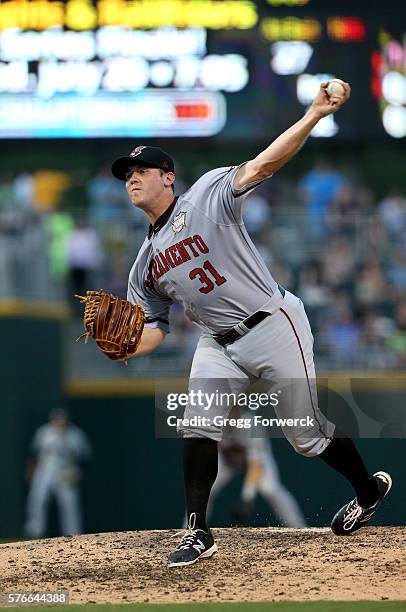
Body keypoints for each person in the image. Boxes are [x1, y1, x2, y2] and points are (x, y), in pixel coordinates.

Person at [111, 81, 392, 568]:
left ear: (168, 177)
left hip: (272, 322)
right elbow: (155, 325)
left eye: (142, 170)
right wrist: (129, 348)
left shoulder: (207, 195)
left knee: (305, 436)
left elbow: (263, 164)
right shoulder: (145, 263)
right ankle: (198, 530)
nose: (132, 178)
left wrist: (313, 117)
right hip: (217, 343)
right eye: (127, 174)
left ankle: (367, 490)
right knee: (197, 424)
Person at [208, 437, 306, 528]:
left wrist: (247, 498)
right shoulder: (215, 423)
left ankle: (298, 526)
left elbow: (255, 467)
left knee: (270, 489)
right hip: (227, 460)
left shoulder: (252, 429)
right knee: (208, 488)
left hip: (259, 459)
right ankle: (196, 529)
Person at [24, 408, 91, 539]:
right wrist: (31, 471)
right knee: (38, 500)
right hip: (45, 470)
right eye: (57, 421)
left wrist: (79, 472)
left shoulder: (76, 435)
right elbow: (34, 453)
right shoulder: (44, 432)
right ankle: (34, 532)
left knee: (69, 504)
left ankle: (73, 534)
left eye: (62, 421)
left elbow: (85, 458)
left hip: (66, 472)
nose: (60, 423)